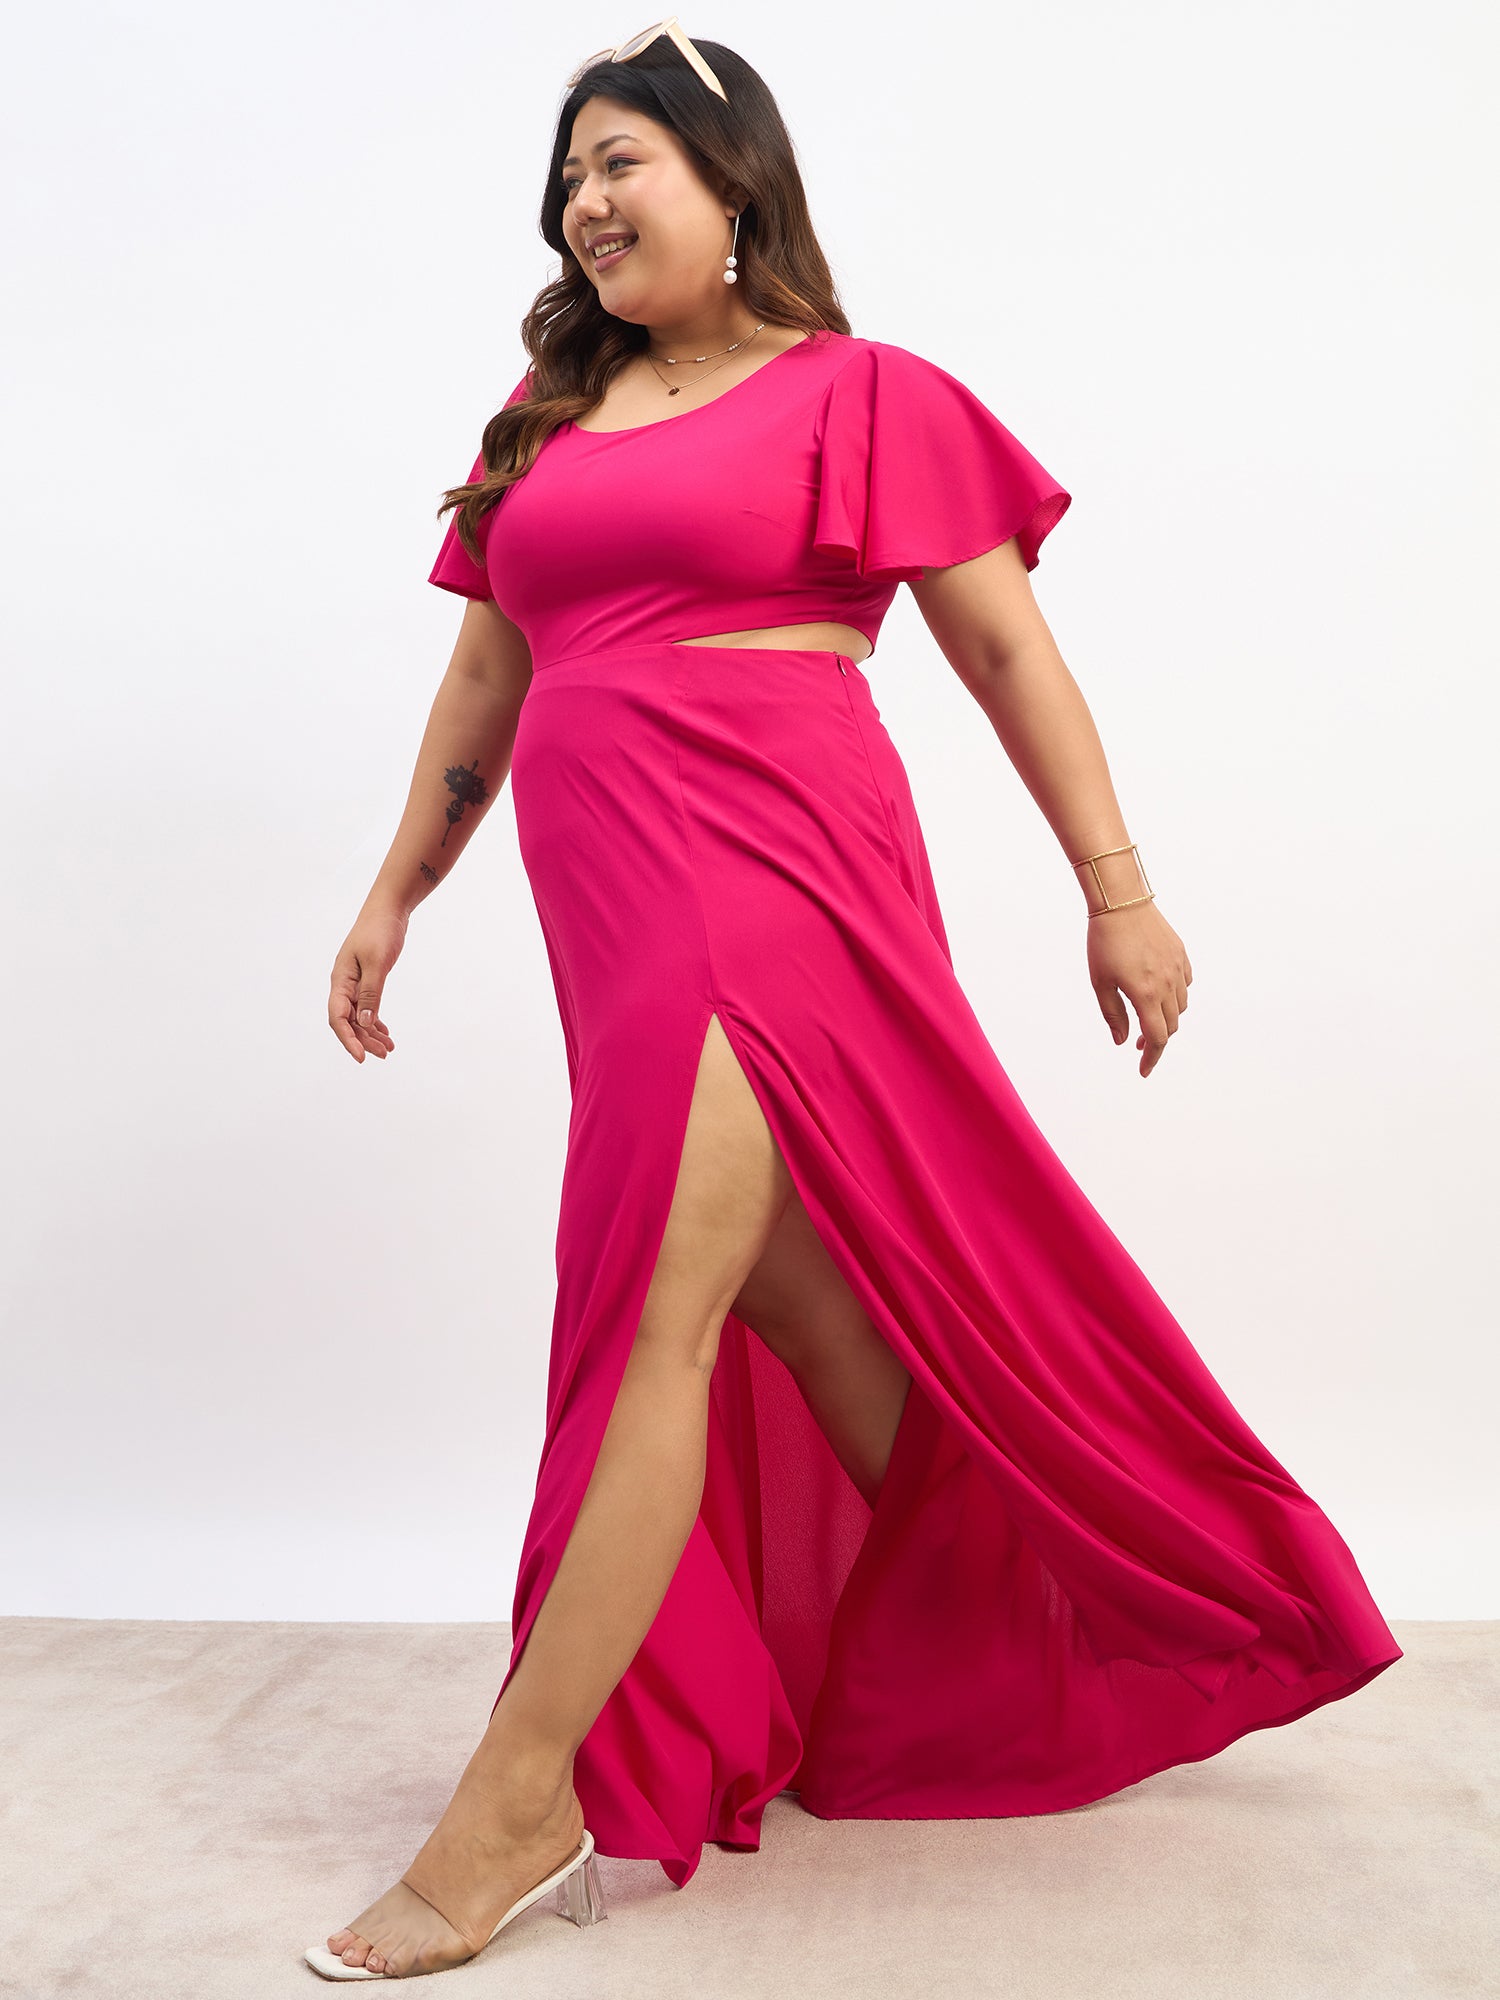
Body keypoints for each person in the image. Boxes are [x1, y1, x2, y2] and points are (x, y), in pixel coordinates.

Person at [311, 24, 1402, 1984]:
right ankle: (1014, 1649)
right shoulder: (541, 421)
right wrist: (400, 887)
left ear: (736, 187)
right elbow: (486, 681)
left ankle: (525, 1798)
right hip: (612, 908)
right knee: (795, 1303)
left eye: (625, 160)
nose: (587, 200)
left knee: (649, 1302)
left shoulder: (861, 393)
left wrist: (1119, 894)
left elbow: (1008, 654)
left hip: (775, 881)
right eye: (571, 173)